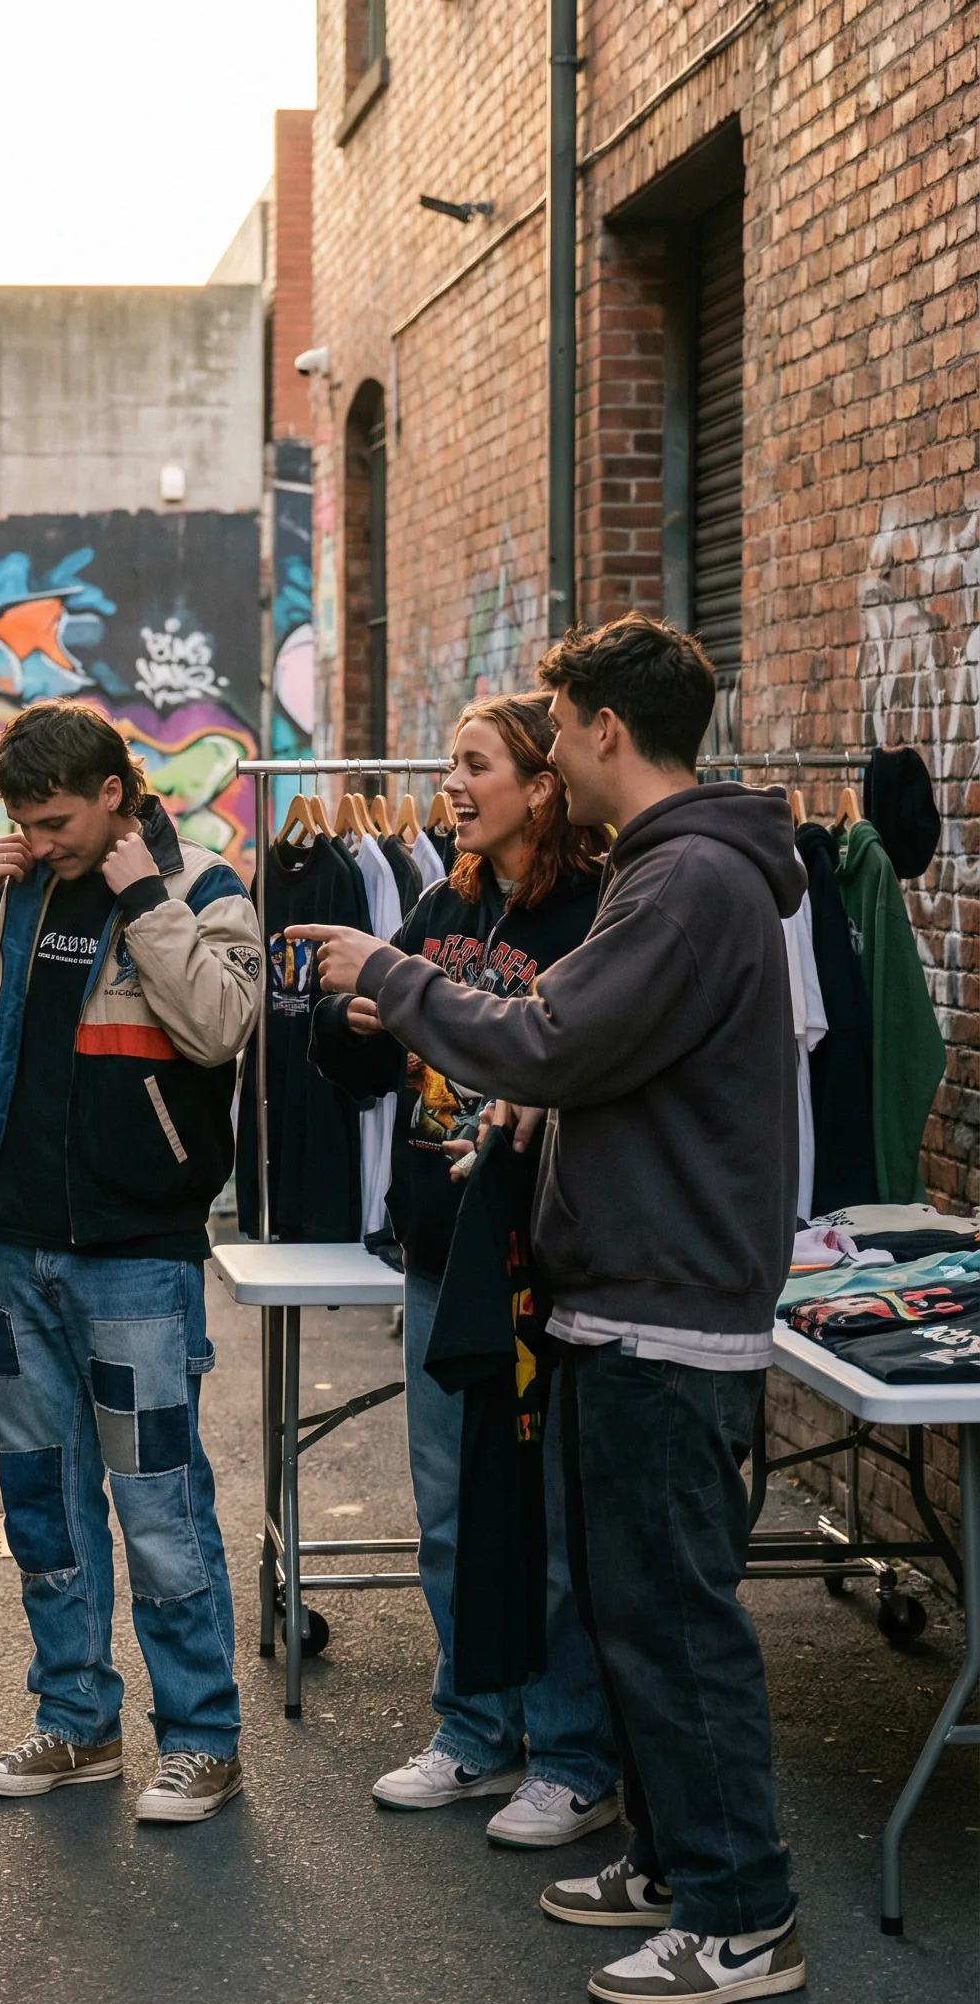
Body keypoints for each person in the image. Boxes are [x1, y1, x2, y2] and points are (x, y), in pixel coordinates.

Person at [290, 614, 807, 2004]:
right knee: (633, 1614)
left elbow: (551, 1035)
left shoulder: (684, 879)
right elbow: (594, 1057)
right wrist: (539, 1114)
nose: (551, 751)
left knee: (673, 1625)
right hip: (626, 1307)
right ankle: (673, 1863)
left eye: (559, 727)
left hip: (661, 1318)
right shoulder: (668, 873)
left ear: (602, 733)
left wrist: (387, 973)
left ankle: (740, 1919)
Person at [0, 701, 261, 1823]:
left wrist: (144, 899)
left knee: (159, 1509)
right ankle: (76, 1724)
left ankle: (202, 1740)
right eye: (23, 821)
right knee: (44, 1510)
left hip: (136, 1256)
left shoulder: (203, 886)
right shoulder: (21, 887)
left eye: (56, 821)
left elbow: (219, 1026)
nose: (39, 839)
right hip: (20, 1246)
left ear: (114, 793)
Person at [307, 695, 621, 1846]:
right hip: (441, 1256)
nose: (447, 784)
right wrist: (345, 1027)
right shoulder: (442, 903)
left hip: (544, 1268)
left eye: (472, 764)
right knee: (447, 1513)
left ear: (540, 787)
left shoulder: (598, 913)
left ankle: (572, 1757)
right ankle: (473, 1730)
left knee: (545, 1522)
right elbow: (360, 1077)